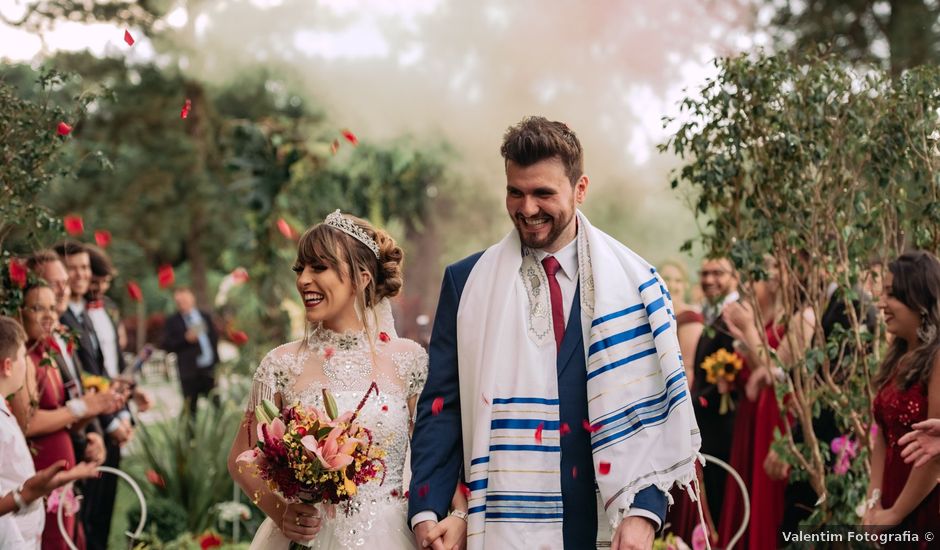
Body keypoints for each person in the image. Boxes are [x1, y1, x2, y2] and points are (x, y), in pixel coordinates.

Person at [408, 117, 700, 550]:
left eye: (543, 193)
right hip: (501, 520)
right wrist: (430, 511)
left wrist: (644, 513)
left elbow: (655, 409)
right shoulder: (465, 282)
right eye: (515, 192)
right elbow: (443, 407)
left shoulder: (636, 284)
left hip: (605, 519)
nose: (527, 209)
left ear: (580, 189)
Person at [228, 210, 451, 549]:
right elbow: (241, 458)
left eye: (319, 267)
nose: (304, 279)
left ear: (362, 278)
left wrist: (455, 515)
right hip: (308, 537)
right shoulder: (281, 364)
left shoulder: (410, 360)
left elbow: (436, 454)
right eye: (300, 268)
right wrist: (281, 511)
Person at [12, 283, 121, 549]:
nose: (50, 315)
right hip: (42, 469)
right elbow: (27, 423)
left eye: (52, 308)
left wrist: (91, 419)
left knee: (70, 538)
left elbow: (64, 418)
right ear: (21, 313)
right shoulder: (22, 359)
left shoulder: (48, 354)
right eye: (39, 308)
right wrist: (82, 408)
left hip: (67, 467)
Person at [53, 240, 131, 550]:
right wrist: (109, 423)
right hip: (83, 429)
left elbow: (103, 370)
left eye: (84, 267)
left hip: (102, 421)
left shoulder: (85, 316)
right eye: (72, 269)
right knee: (81, 520)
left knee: (99, 516)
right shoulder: (61, 319)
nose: (81, 275)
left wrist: (123, 410)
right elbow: (83, 380)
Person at [0, 315, 99, 549]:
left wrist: (56, 481)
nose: (28, 363)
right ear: (7, 366)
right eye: (24, 356)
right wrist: (24, 494)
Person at [862, 251, 940, 544]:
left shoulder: (937, 359)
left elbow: (934, 458)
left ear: (920, 301)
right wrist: (874, 503)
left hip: (923, 505)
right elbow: (882, 434)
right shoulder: (900, 356)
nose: (882, 304)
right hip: (891, 494)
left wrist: (895, 514)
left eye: (892, 295)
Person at [689, 257, 739, 528]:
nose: (709, 279)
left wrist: (687, 405)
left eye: (717, 273)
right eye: (704, 273)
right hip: (710, 424)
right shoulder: (714, 313)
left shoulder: (734, 315)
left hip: (724, 426)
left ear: (735, 276)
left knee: (723, 503)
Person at [162, 287, 220, 414]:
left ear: (192, 299)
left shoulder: (204, 316)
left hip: (209, 369)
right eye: (179, 302)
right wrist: (185, 339)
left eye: (185, 300)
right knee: (190, 409)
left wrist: (217, 364)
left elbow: (214, 339)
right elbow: (167, 344)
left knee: (216, 404)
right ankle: (192, 434)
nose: (182, 304)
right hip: (189, 372)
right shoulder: (173, 321)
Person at [659, 260, 704, 385]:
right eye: (666, 278)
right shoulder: (656, 315)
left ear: (686, 285)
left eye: (678, 280)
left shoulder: (690, 317)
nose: (672, 285)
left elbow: (688, 367)